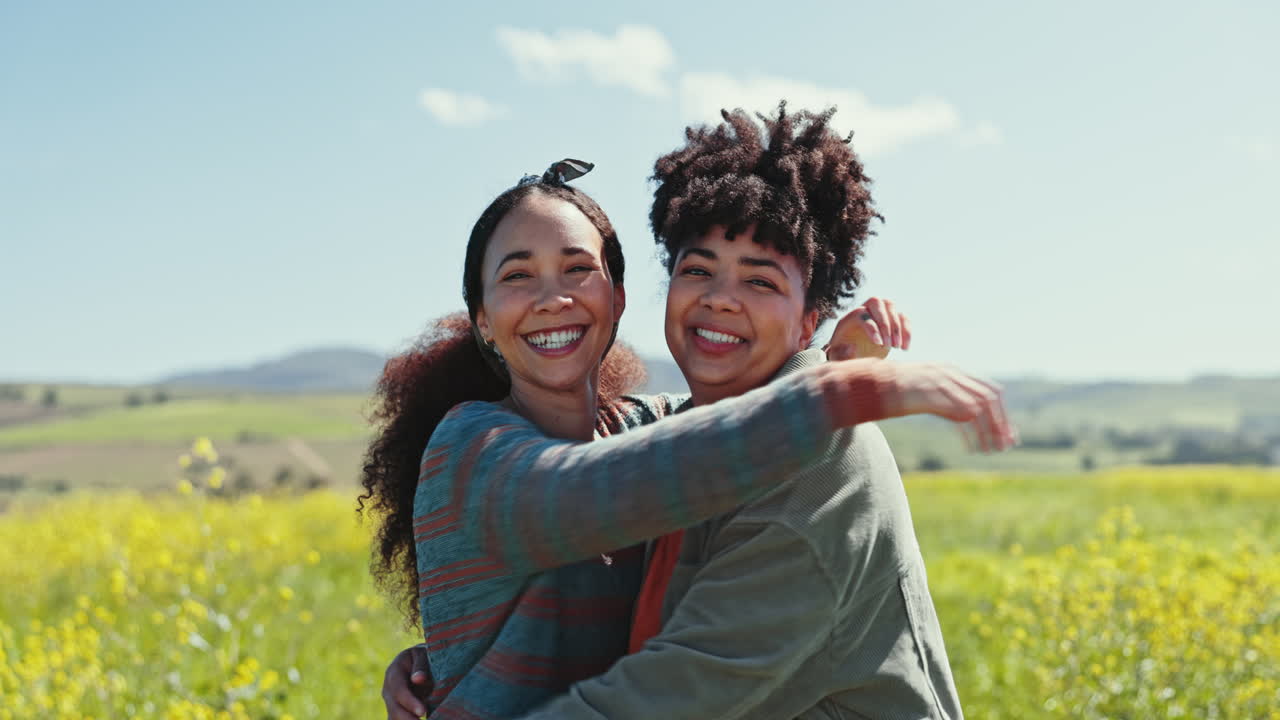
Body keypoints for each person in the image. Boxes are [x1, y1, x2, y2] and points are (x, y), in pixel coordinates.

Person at [368, 129, 1013, 718]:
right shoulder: (473, 446)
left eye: (578, 269)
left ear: (618, 298)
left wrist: (830, 373)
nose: (552, 298)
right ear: (481, 317)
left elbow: (673, 688)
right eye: (517, 275)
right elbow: (583, 492)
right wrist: (449, 660)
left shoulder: (699, 441)